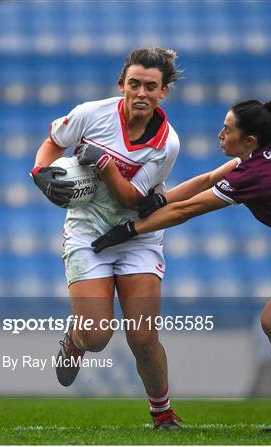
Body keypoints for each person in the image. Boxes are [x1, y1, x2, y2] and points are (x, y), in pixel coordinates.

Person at [90, 99, 271, 434]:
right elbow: (206, 180)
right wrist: (157, 200)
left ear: (249, 140)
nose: (220, 134)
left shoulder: (255, 173)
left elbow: (188, 211)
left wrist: (130, 231)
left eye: (227, 130)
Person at [30, 48, 183, 430]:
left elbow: (133, 198)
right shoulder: (90, 114)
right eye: (135, 84)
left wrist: (105, 165)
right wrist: (41, 173)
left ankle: (162, 414)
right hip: (86, 231)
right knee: (97, 336)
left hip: (137, 237)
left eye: (151, 86)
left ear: (164, 91)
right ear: (122, 85)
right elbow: (52, 142)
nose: (142, 93)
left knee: (144, 336)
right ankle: (75, 341)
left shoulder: (167, 144)